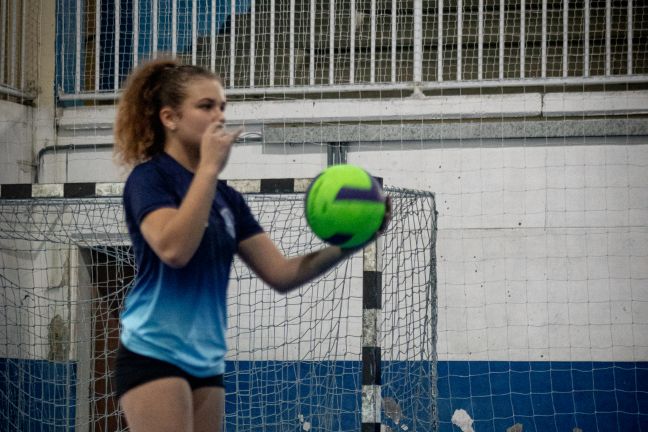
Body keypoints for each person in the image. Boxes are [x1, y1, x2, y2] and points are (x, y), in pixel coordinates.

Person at [113, 57, 389, 432]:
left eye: (222, 107)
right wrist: (209, 168)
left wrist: (353, 244)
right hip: (153, 350)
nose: (219, 116)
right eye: (206, 106)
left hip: (206, 360)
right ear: (169, 118)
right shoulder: (150, 180)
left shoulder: (228, 200)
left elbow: (282, 273)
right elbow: (173, 250)